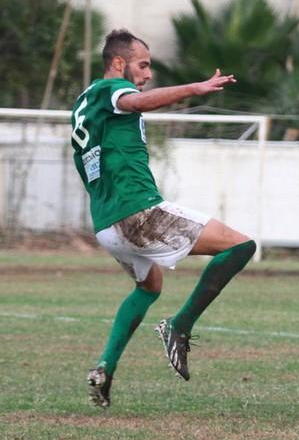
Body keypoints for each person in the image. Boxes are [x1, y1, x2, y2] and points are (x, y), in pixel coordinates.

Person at [70, 29, 256, 407]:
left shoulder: (83, 101)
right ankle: (180, 326)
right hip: (137, 212)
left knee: (149, 287)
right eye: (143, 65)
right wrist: (196, 88)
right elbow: (138, 101)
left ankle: (104, 368)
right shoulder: (112, 92)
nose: (148, 73)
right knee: (241, 246)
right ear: (119, 64)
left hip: (106, 225)